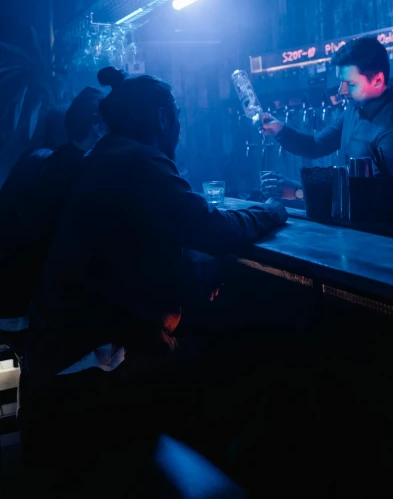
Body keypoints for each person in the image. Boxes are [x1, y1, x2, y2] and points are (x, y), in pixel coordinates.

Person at [24, 67, 289, 495]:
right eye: (178, 116)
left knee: (219, 336)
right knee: (260, 346)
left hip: (63, 353)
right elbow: (211, 229)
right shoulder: (137, 160)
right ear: (164, 118)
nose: (180, 126)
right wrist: (273, 211)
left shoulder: (106, 155)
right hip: (96, 363)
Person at [0, 88, 104, 359]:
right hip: (28, 308)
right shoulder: (71, 170)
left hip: (11, 303)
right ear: (96, 126)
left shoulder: (35, 160)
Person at [261, 36, 393, 201]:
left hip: (378, 225)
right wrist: (280, 130)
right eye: (341, 82)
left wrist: (300, 191)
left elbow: (369, 191)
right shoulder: (353, 111)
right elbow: (315, 145)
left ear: (378, 80)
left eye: (350, 83)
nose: (341, 91)